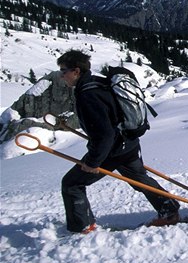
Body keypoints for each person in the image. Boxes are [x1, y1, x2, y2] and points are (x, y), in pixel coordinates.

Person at [57, 49, 180, 233]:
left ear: (76, 71)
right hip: (129, 144)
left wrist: (93, 162)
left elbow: (105, 134)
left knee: (71, 183)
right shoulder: (97, 83)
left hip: (112, 150)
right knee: (140, 179)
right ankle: (169, 211)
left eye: (63, 71)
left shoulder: (87, 94)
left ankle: (82, 227)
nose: (62, 76)